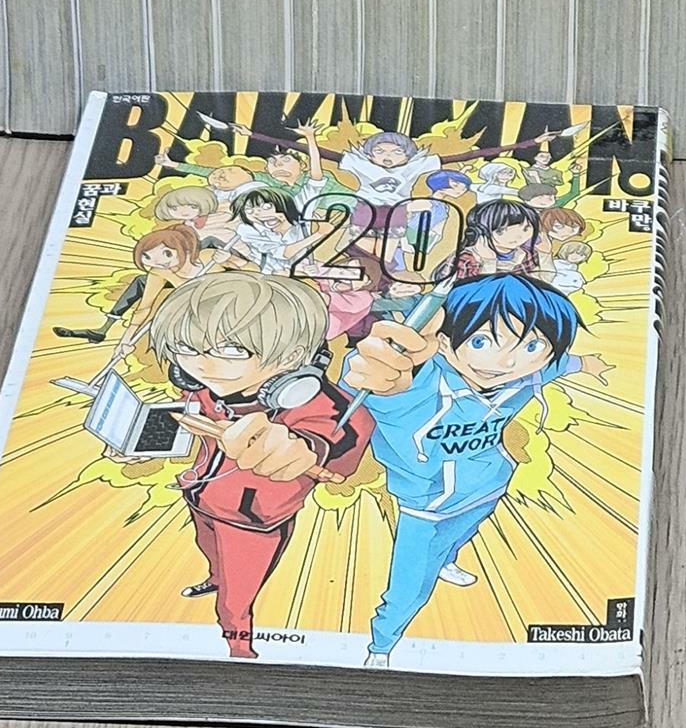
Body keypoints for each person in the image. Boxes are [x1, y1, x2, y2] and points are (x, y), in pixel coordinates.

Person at [345, 273, 606, 662]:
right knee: (410, 589)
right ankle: (381, 647)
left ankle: (447, 560)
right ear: (444, 341)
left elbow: (558, 363)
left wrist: (587, 364)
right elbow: (383, 384)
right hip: (425, 507)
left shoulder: (528, 374)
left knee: (460, 535)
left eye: (531, 346)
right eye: (482, 342)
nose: (506, 361)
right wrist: (376, 374)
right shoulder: (421, 383)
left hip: (488, 487)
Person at [143, 271, 373, 660]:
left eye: (231, 350)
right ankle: (215, 578)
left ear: (292, 357)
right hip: (201, 496)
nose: (202, 365)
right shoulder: (203, 388)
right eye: (187, 347)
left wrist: (301, 448)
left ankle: (239, 649)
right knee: (210, 553)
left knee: (236, 600)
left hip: (253, 521)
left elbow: (341, 433)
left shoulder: (320, 405)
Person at [54, 219, 201, 342]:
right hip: (176, 294)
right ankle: (103, 329)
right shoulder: (159, 271)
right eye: (147, 257)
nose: (157, 262)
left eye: (167, 253)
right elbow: (144, 308)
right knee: (141, 281)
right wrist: (126, 341)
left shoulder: (207, 255)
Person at [452, 197, 541, 280]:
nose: (519, 236)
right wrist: (488, 263)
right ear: (479, 231)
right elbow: (472, 290)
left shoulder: (527, 254)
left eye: (526, 229)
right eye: (501, 231)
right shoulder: (465, 260)